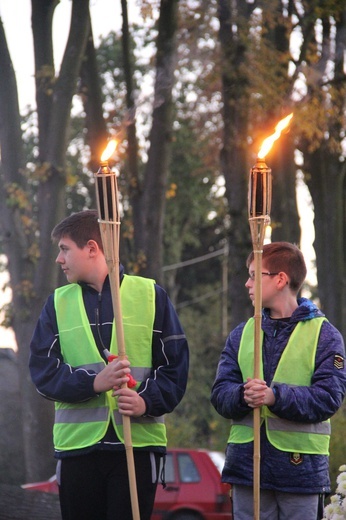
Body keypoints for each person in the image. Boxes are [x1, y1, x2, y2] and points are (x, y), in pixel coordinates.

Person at [29, 209, 189, 520]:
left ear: (91, 248)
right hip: (77, 452)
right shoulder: (57, 304)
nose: (59, 260)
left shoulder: (151, 295)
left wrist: (145, 401)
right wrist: (92, 383)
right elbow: (42, 372)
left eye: (64, 249)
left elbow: (176, 368)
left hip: (137, 449)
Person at [211, 241, 346, 520]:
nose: (247, 284)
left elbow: (329, 398)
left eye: (253, 274)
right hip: (247, 471)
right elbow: (220, 393)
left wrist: (275, 396)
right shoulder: (241, 333)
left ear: (281, 279)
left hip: (301, 473)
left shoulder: (325, 335)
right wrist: (242, 395)